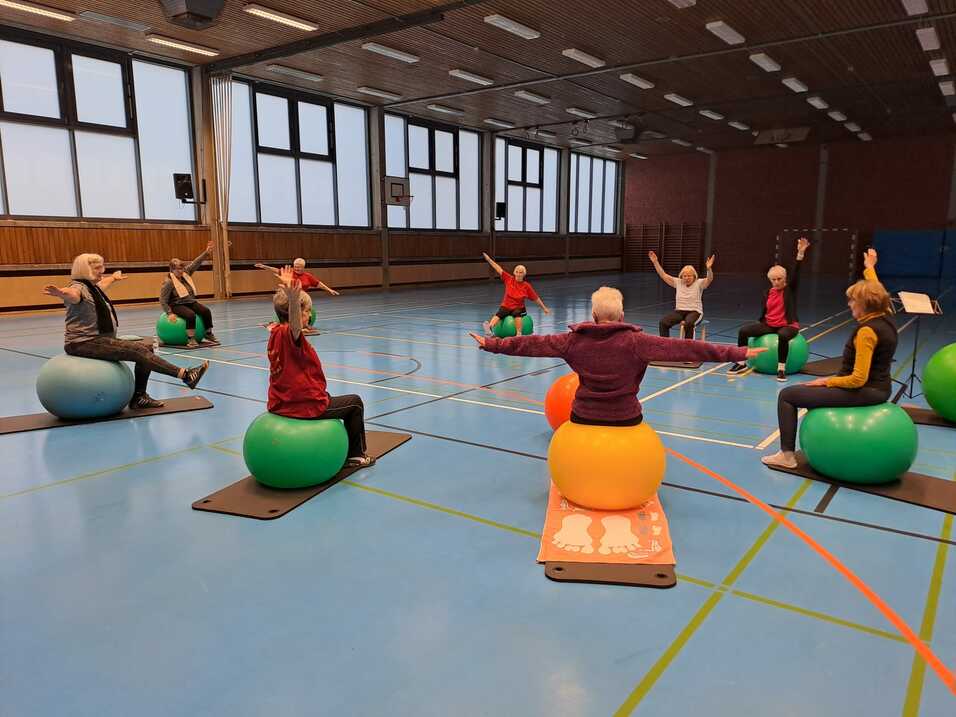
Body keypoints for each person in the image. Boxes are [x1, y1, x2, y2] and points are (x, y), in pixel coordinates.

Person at [469, 286, 765, 426]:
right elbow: (690, 349)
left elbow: (531, 345)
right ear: (622, 315)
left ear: (594, 315)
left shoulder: (572, 341)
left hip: (583, 417)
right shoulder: (638, 342)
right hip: (626, 418)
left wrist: (491, 344)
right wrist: (738, 352)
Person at [761, 248, 896, 468]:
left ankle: (786, 455)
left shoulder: (866, 332)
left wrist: (825, 381)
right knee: (810, 392)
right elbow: (878, 292)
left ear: (865, 304)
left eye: (853, 301)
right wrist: (870, 268)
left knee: (787, 395)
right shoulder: (886, 314)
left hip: (864, 391)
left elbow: (858, 379)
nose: (850, 304)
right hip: (880, 388)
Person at [43, 254, 208, 410]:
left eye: (102, 267)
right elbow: (73, 295)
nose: (102, 271)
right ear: (84, 270)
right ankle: (185, 375)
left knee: (148, 348)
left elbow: (102, 285)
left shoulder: (92, 288)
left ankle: (139, 397)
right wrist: (61, 293)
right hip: (83, 343)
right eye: (97, 268)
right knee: (137, 351)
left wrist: (113, 278)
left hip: (99, 339)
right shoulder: (78, 287)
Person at [268, 266, 374, 467]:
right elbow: (295, 328)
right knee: (355, 403)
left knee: (331, 396)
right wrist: (293, 300)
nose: (309, 315)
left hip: (280, 402)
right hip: (302, 405)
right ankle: (356, 455)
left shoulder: (274, 332)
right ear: (297, 313)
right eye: (307, 311)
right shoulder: (290, 336)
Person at [729, 237, 810, 381]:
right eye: (774, 279)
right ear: (770, 280)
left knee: (783, 336)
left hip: (787, 325)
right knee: (743, 331)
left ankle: (781, 369)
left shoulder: (789, 290)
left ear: (785, 279)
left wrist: (800, 254)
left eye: (779, 279)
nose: (777, 282)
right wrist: (762, 322)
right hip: (769, 325)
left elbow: (797, 273)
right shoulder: (767, 292)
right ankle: (741, 362)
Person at [255, 258, 340, 335]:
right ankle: (295, 326)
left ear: (303, 267)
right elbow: (276, 270)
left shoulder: (308, 276)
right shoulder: (289, 272)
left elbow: (318, 284)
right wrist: (263, 266)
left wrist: (329, 290)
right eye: (295, 266)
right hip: (289, 297)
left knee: (305, 310)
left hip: (302, 299)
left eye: (299, 267)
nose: (296, 268)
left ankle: (304, 326)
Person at [160, 240, 220, 348]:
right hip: (177, 305)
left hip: (189, 301)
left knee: (206, 311)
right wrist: (169, 313)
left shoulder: (185, 273)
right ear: (172, 270)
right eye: (178, 269)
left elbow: (195, 263)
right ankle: (191, 339)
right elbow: (163, 300)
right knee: (190, 315)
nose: (181, 271)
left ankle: (208, 333)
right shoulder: (168, 282)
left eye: (182, 268)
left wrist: (206, 253)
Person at [481, 252, 550, 336]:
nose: (518, 274)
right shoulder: (509, 279)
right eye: (517, 272)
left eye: (521, 272)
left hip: (518, 307)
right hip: (506, 305)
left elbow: (536, 298)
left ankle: (519, 333)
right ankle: (489, 328)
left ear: (524, 274)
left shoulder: (526, 286)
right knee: (499, 314)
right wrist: (488, 259)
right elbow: (498, 268)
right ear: (514, 272)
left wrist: (544, 308)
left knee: (517, 314)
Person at [649, 251, 715, 338]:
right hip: (679, 312)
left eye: (689, 276)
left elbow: (709, 279)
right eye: (685, 276)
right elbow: (663, 275)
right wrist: (655, 262)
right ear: (681, 276)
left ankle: (688, 348)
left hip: (695, 312)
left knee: (689, 323)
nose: (687, 278)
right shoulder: (678, 282)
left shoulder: (699, 283)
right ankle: (665, 345)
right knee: (663, 322)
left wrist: (709, 269)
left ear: (694, 276)